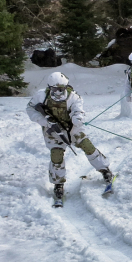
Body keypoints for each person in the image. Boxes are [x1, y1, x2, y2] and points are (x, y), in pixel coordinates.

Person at [26, 72, 114, 203]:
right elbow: (30, 108)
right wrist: (44, 121)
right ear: (50, 88)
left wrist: (77, 119)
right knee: (56, 155)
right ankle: (58, 184)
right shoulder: (41, 95)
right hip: (53, 130)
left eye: (61, 89)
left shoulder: (73, 97)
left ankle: (105, 170)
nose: (59, 92)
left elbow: (78, 110)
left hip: (73, 128)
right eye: (55, 89)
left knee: (88, 147)